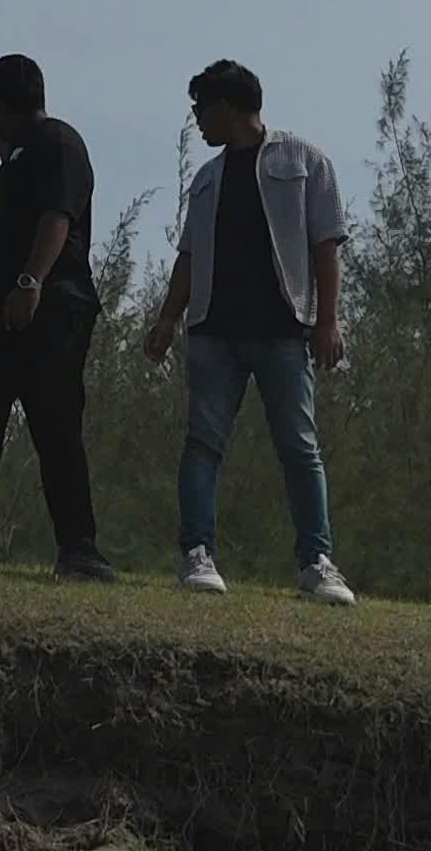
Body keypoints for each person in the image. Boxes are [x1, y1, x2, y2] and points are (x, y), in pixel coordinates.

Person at [144, 58, 359, 606]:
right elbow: (189, 255)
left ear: (226, 107)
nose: (197, 121)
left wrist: (328, 320)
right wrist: (167, 319)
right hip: (213, 330)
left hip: (283, 329)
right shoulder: (206, 178)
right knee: (203, 443)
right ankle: (197, 553)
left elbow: (327, 245)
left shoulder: (305, 161)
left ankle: (317, 562)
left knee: (300, 446)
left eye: (201, 109)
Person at [0, 54, 113, 579]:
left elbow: (57, 218)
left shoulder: (58, 144)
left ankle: (78, 547)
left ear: (3, 105)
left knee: (56, 425)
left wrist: (30, 282)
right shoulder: (17, 157)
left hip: (50, 303)